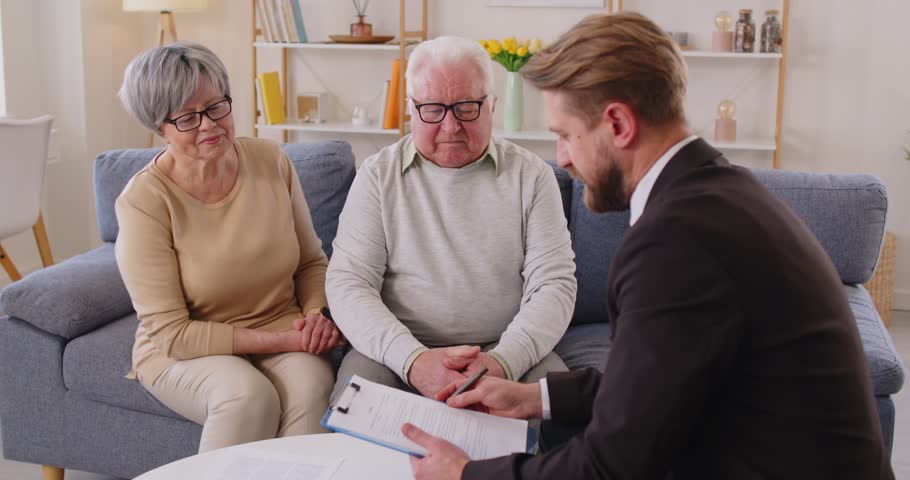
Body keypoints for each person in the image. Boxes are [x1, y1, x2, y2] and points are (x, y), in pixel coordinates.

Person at [401, 13, 894, 480]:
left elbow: (611, 467)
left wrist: (467, 474)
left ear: (617, 124)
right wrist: (534, 398)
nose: (563, 157)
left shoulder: (676, 242)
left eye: (567, 135)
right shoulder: (720, 195)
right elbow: (658, 386)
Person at [115, 42, 344, 453]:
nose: (210, 125)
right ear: (158, 126)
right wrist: (288, 341)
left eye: (217, 105)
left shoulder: (271, 160)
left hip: (281, 321)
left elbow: (311, 262)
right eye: (187, 117)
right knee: (248, 396)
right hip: (185, 349)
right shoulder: (144, 201)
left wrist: (315, 315)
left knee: (312, 387)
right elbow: (173, 334)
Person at [325, 36, 577, 401]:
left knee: (560, 404)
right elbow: (349, 284)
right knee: (356, 405)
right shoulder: (378, 176)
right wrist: (414, 360)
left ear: (492, 105)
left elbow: (554, 285)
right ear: (411, 108)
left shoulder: (532, 176)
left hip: (504, 349)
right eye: (432, 109)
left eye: (466, 108)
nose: (450, 126)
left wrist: (503, 362)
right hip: (397, 351)